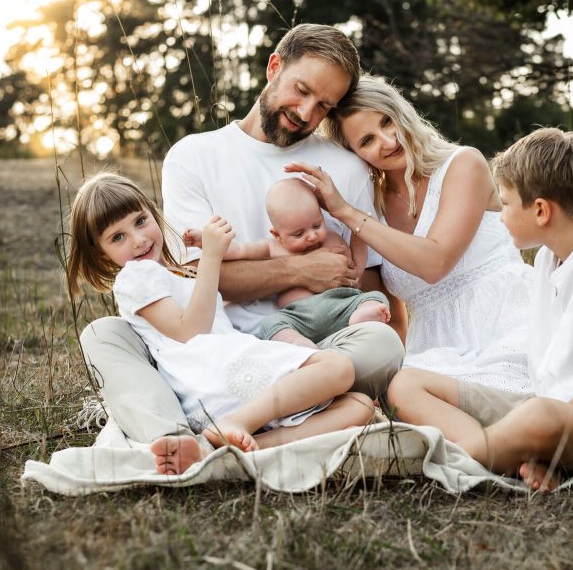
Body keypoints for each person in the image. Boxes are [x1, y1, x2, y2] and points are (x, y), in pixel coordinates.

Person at [78, 24, 404, 455]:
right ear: (274, 67)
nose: (306, 112)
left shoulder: (346, 169)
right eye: (301, 90)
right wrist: (301, 269)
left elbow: (370, 286)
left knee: (381, 344)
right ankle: (173, 436)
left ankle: (221, 441)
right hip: (208, 348)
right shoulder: (193, 156)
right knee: (103, 334)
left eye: (324, 106)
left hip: (309, 348)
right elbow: (197, 279)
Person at [385, 128, 573, 490]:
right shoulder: (548, 257)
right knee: (407, 384)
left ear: (541, 210)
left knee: (540, 415)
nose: (501, 216)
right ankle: (512, 456)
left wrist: (533, 420)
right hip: (552, 404)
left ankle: (465, 458)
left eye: (506, 204)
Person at [67, 173, 374, 475]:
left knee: (360, 406)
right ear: (100, 254)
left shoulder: (173, 273)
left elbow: (211, 315)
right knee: (337, 367)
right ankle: (236, 424)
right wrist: (211, 257)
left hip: (229, 370)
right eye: (118, 237)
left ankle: (240, 447)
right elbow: (190, 331)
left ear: (152, 212)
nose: (138, 239)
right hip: (209, 373)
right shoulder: (136, 277)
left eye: (140, 221)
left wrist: (215, 253)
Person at [288, 76, 533, 394]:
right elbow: (385, 312)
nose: (388, 141)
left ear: (402, 113)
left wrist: (345, 211)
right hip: (430, 351)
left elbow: (435, 262)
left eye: (387, 122)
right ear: (355, 155)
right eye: (367, 141)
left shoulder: (462, 164)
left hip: (508, 323)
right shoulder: (371, 212)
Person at [183, 178, 391, 348]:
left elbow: (357, 267)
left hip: (342, 306)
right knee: (270, 323)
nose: (311, 236)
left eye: (317, 225)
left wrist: (359, 236)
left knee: (375, 297)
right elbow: (238, 251)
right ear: (277, 235)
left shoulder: (334, 239)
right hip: (299, 316)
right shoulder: (273, 247)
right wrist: (207, 242)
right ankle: (299, 344)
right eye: (299, 234)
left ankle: (359, 318)